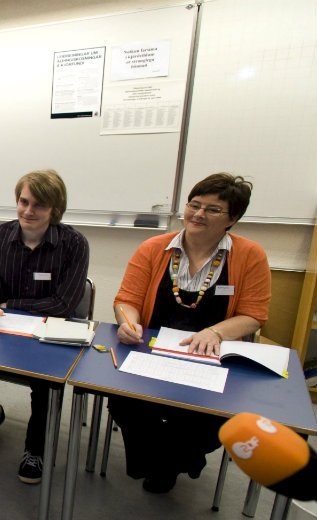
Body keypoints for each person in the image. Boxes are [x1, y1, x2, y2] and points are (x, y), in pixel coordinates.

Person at [109, 173, 270, 494]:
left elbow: (254, 315)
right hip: (151, 355)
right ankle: (177, 462)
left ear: (232, 219)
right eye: (194, 205)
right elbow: (127, 300)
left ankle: (170, 464)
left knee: (210, 421)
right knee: (124, 403)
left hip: (211, 359)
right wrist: (128, 322)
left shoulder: (251, 255)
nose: (198, 214)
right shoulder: (153, 248)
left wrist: (216, 331)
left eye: (212, 210)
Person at [0, 169, 89, 484]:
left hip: (50, 331)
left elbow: (64, 303)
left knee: (46, 384)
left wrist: (8, 305)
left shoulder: (73, 244)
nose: (28, 211)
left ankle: (35, 450)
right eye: (23, 201)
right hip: (3, 327)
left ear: (55, 209)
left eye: (38, 205)